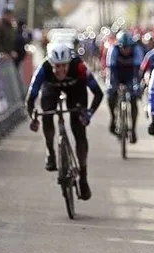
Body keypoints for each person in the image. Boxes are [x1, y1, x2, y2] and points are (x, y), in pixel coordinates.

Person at [25, 43, 103, 201]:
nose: (60, 70)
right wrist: (33, 117)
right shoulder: (44, 68)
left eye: (64, 66)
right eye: (57, 66)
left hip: (76, 90)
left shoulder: (79, 66)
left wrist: (88, 113)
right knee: (47, 115)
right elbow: (31, 98)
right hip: (51, 89)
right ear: (51, 64)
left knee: (79, 130)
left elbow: (98, 93)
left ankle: (83, 176)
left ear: (69, 63)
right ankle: (50, 152)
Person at [107, 31, 144, 142]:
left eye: (128, 47)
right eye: (123, 47)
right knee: (111, 95)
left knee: (133, 99)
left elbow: (137, 71)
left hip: (130, 76)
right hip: (117, 74)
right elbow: (111, 70)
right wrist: (112, 86)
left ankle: (133, 129)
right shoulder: (114, 49)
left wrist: (136, 86)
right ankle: (113, 118)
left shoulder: (137, 49)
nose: (126, 50)